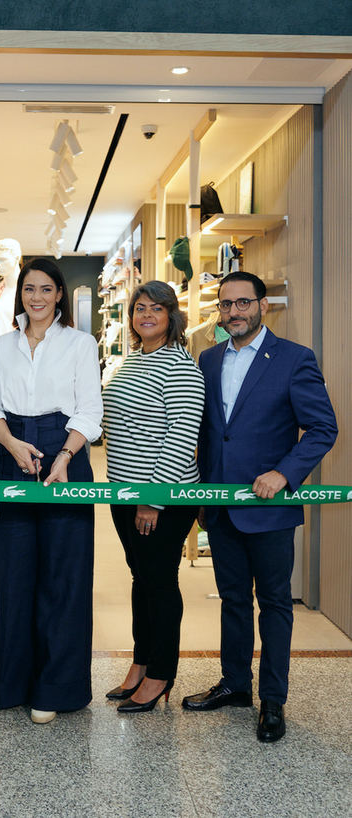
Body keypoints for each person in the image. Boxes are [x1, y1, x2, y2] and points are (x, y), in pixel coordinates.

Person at [182, 271, 338, 743]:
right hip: (222, 506)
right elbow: (211, 432)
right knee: (232, 600)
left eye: (243, 303)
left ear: (262, 306)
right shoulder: (207, 359)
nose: (234, 312)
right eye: (226, 305)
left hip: (270, 508)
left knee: (273, 604)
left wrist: (285, 473)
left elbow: (323, 428)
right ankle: (235, 684)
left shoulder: (294, 359)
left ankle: (273, 700)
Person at [0, 257, 103, 724]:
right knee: (14, 575)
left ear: (59, 295)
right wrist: (9, 443)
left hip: (65, 451)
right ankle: (13, 684)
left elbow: (90, 409)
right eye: (29, 289)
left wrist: (65, 457)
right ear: (21, 294)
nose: (36, 297)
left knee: (64, 577)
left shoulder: (79, 342)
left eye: (46, 289)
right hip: (13, 452)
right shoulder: (3, 345)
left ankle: (56, 687)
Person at [102, 281, 205, 713]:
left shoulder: (180, 366)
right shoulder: (131, 362)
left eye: (156, 309)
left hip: (163, 496)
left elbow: (181, 438)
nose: (146, 315)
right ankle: (140, 663)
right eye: (139, 308)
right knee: (141, 579)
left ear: (172, 317)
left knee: (159, 583)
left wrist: (152, 499)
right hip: (125, 491)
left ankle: (161, 673)